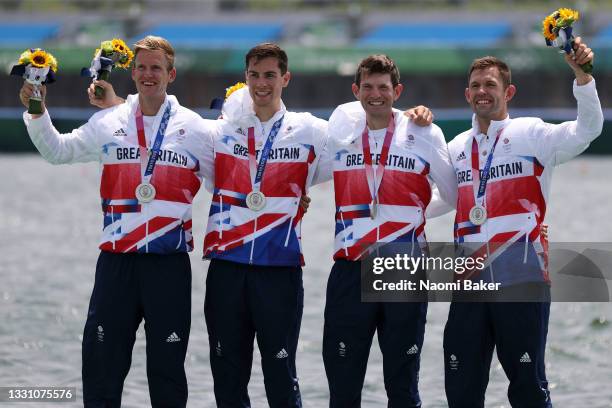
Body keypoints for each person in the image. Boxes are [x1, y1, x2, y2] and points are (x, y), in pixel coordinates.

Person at [19, 35, 215, 407]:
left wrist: (290, 197)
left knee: (167, 373)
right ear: (133, 72)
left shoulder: (196, 129)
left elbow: (226, 184)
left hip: (168, 266)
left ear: (170, 74)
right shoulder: (108, 121)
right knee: (101, 370)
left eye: (156, 67)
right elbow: (59, 151)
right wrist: (36, 112)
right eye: (141, 67)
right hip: (117, 264)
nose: (147, 74)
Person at [444, 37, 603, 407]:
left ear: (508, 91)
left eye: (491, 85)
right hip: (469, 281)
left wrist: (583, 79)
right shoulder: (455, 147)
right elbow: (438, 201)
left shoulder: (533, 134)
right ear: (467, 94)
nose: (483, 91)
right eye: (476, 86)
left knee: (528, 389)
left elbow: (587, 130)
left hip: (522, 279)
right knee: (461, 390)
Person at [313, 55, 457, 407]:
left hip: (404, 268)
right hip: (351, 266)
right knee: (343, 388)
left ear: (398, 91)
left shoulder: (424, 131)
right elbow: (302, 175)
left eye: (383, 88)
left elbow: (452, 194)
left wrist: (410, 212)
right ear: (355, 90)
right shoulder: (340, 131)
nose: (375, 95)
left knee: (402, 386)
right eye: (368, 87)